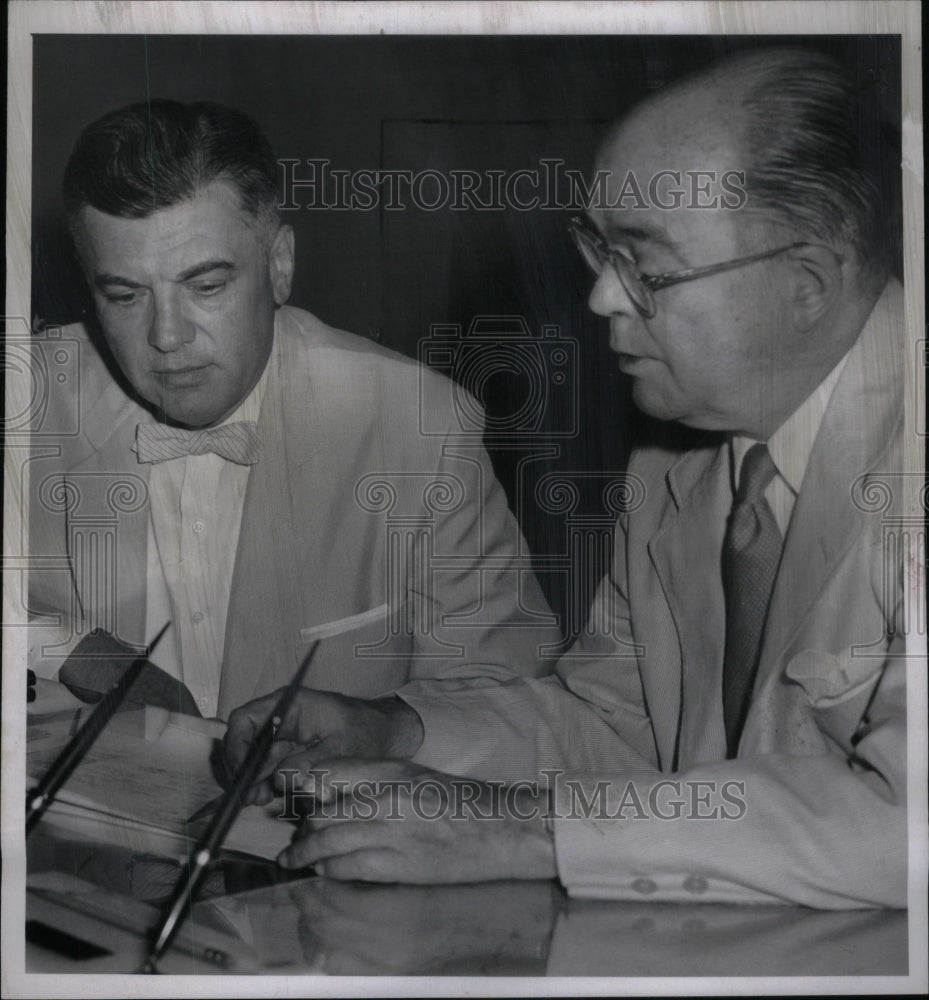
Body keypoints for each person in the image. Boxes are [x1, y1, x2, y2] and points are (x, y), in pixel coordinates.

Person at [225, 48, 910, 908]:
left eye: (643, 266)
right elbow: (613, 721)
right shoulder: (680, 458)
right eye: (597, 251)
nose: (599, 303)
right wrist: (402, 728)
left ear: (805, 284)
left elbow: (905, 822)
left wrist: (526, 828)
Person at [27, 99, 560, 720]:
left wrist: (382, 729)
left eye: (206, 287)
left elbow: (505, 697)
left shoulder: (420, 426)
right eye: (125, 295)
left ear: (280, 266)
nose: (167, 337)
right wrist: (62, 646)